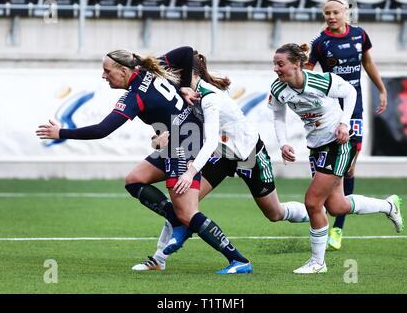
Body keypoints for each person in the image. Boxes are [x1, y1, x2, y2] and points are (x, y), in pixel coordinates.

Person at [36, 47, 253, 275]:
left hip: (185, 143)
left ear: (123, 70)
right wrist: (185, 86)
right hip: (180, 138)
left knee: (187, 214)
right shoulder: (151, 67)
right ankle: (170, 236)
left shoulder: (135, 95)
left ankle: (238, 260)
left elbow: (102, 130)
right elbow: (186, 52)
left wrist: (61, 133)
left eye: (107, 71)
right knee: (135, 180)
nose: (103, 76)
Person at [132, 50, 311, 272]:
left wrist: (190, 172)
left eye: (174, 74)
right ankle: (159, 260)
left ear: (189, 74)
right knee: (183, 205)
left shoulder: (210, 98)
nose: (172, 79)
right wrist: (163, 137)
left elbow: (209, 140)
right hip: (222, 157)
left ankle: (313, 213)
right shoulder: (186, 93)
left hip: (249, 155)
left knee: (275, 213)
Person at [269, 43, 403, 274]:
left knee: (312, 202)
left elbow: (350, 92)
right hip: (316, 147)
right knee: (336, 205)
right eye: (275, 64)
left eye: (280, 64)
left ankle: (318, 263)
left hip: (338, 144)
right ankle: (388, 205)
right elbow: (278, 117)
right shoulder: (279, 89)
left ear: (297, 64)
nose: (276, 69)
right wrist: (283, 143)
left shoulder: (321, 81)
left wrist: (344, 123)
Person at [305, 0, 388, 250]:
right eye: (326, 13)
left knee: (349, 167)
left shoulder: (360, 36)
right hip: (329, 110)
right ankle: (328, 207)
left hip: (355, 107)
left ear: (345, 13)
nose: (331, 17)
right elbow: (307, 70)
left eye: (335, 12)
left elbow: (368, 63)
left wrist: (382, 90)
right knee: (328, 168)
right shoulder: (320, 42)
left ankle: (338, 227)